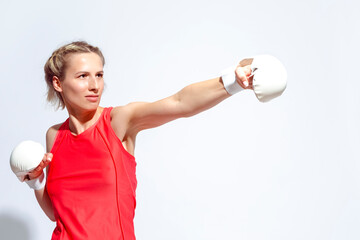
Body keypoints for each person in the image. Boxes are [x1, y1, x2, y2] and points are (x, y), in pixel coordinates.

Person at [23, 41, 276, 239]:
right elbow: (60, 215)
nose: (95, 85)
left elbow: (179, 103)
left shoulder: (118, 121)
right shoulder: (54, 136)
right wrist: (36, 182)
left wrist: (231, 81)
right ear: (58, 83)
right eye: (82, 76)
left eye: (99, 75)